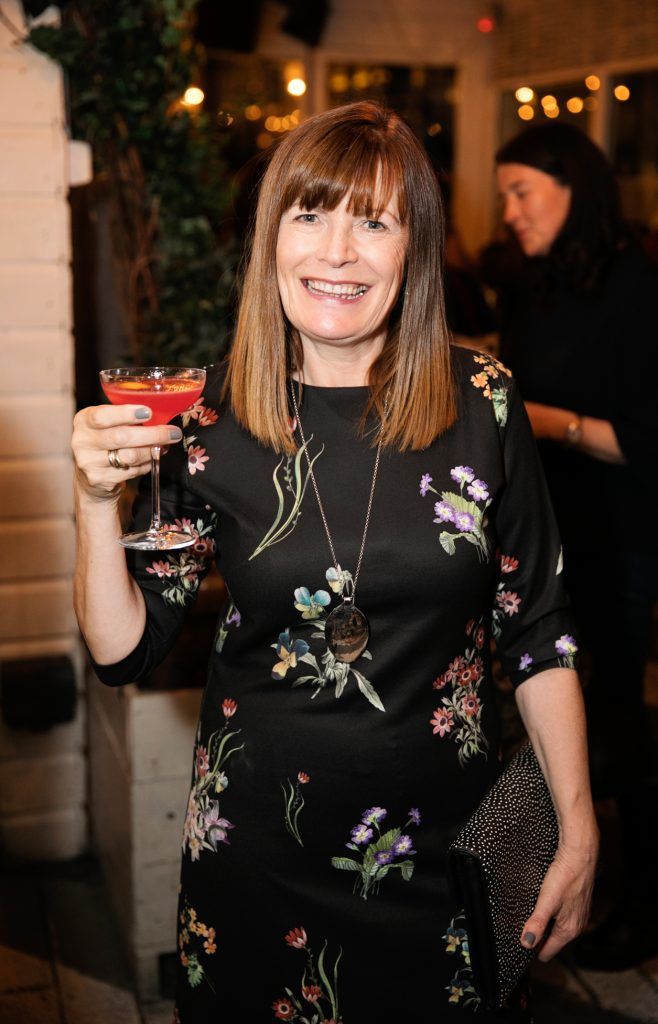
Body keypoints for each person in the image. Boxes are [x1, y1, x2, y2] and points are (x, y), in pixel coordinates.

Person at [72, 102, 597, 1021]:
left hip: (445, 866)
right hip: (255, 865)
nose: (337, 252)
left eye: (375, 221)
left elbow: (538, 630)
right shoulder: (211, 417)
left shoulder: (484, 403)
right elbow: (124, 651)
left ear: (415, 251)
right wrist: (89, 501)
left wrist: (579, 824)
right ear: (271, 235)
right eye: (309, 214)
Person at [495, 122, 658, 971]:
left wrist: (543, 420)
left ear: (575, 188)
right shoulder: (545, 281)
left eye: (524, 192)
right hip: (558, 536)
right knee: (578, 727)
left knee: (619, 727)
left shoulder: (636, 284)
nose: (511, 211)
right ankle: (586, 890)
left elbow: (647, 439)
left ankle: (636, 907)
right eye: (505, 196)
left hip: (623, 539)